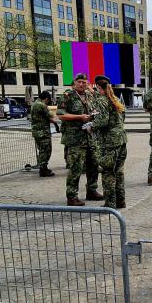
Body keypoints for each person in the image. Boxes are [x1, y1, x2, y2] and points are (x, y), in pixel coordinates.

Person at [56, 73, 102, 206]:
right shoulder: (67, 96)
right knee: (76, 168)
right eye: (79, 82)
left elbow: (95, 109)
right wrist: (79, 117)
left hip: (90, 137)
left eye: (84, 82)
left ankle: (92, 191)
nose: (82, 84)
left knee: (93, 166)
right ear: (74, 83)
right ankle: (72, 196)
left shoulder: (89, 96)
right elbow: (61, 115)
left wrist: (93, 116)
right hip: (75, 139)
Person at [92, 76, 127, 209]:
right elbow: (123, 117)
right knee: (119, 172)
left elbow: (102, 121)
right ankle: (120, 201)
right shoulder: (116, 99)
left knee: (107, 172)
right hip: (121, 139)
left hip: (109, 142)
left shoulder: (101, 100)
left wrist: (91, 126)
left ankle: (110, 203)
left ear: (99, 88)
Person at [30, 91, 56, 177]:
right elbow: (51, 116)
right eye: (48, 100)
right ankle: (43, 169)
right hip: (43, 132)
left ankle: (43, 168)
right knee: (46, 150)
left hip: (37, 131)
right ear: (46, 99)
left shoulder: (35, 104)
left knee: (42, 150)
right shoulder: (41, 105)